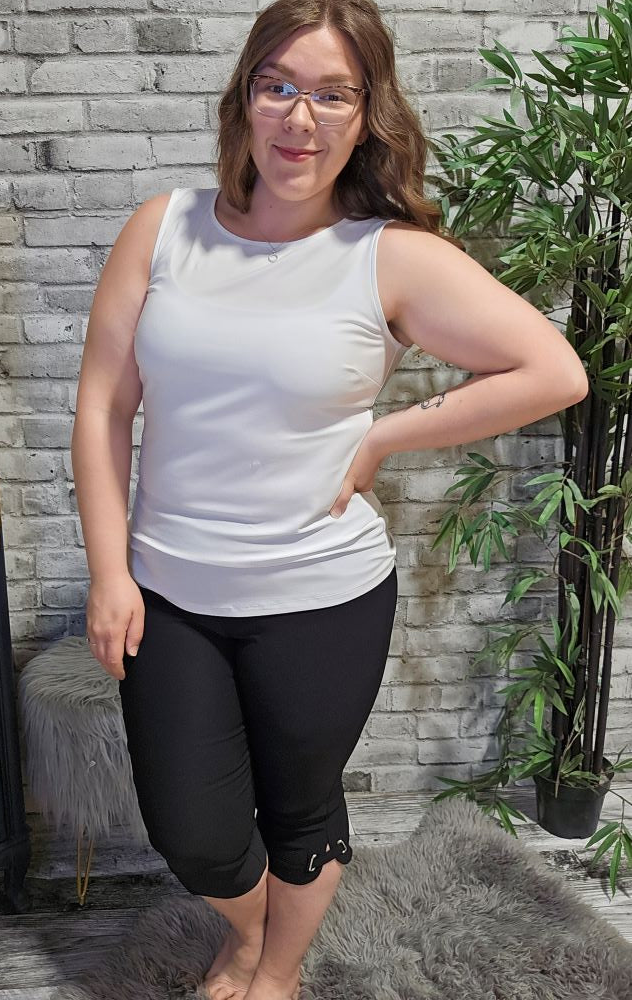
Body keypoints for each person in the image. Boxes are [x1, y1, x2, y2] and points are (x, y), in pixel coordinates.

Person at [70, 1, 588, 997]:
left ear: (365, 115)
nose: (300, 118)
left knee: (301, 813)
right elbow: (102, 404)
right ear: (245, 99)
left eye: (332, 94)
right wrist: (108, 571)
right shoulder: (163, 229)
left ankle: (274, 968)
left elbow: (553, 370)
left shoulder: (386, 255)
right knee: (194, 832)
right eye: (279, 86)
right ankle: (249, 927)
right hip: (167, 596)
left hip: (324, 596)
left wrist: (385, 435)